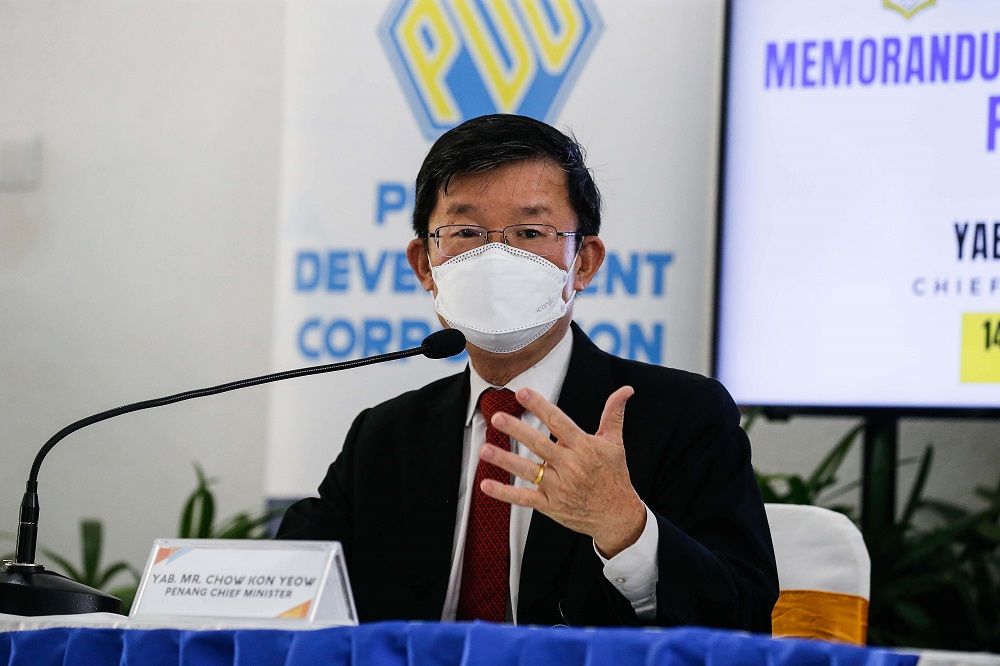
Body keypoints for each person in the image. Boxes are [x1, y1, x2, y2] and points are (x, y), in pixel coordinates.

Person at [277, 114, 778, 630]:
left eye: (530, 231)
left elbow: (742, 615)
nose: (497, 255)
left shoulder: (679, 416)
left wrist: (627, 528)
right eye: (466, 231)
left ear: (583, 262)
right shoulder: (383, 437)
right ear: (424, 264)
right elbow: (289, 586)